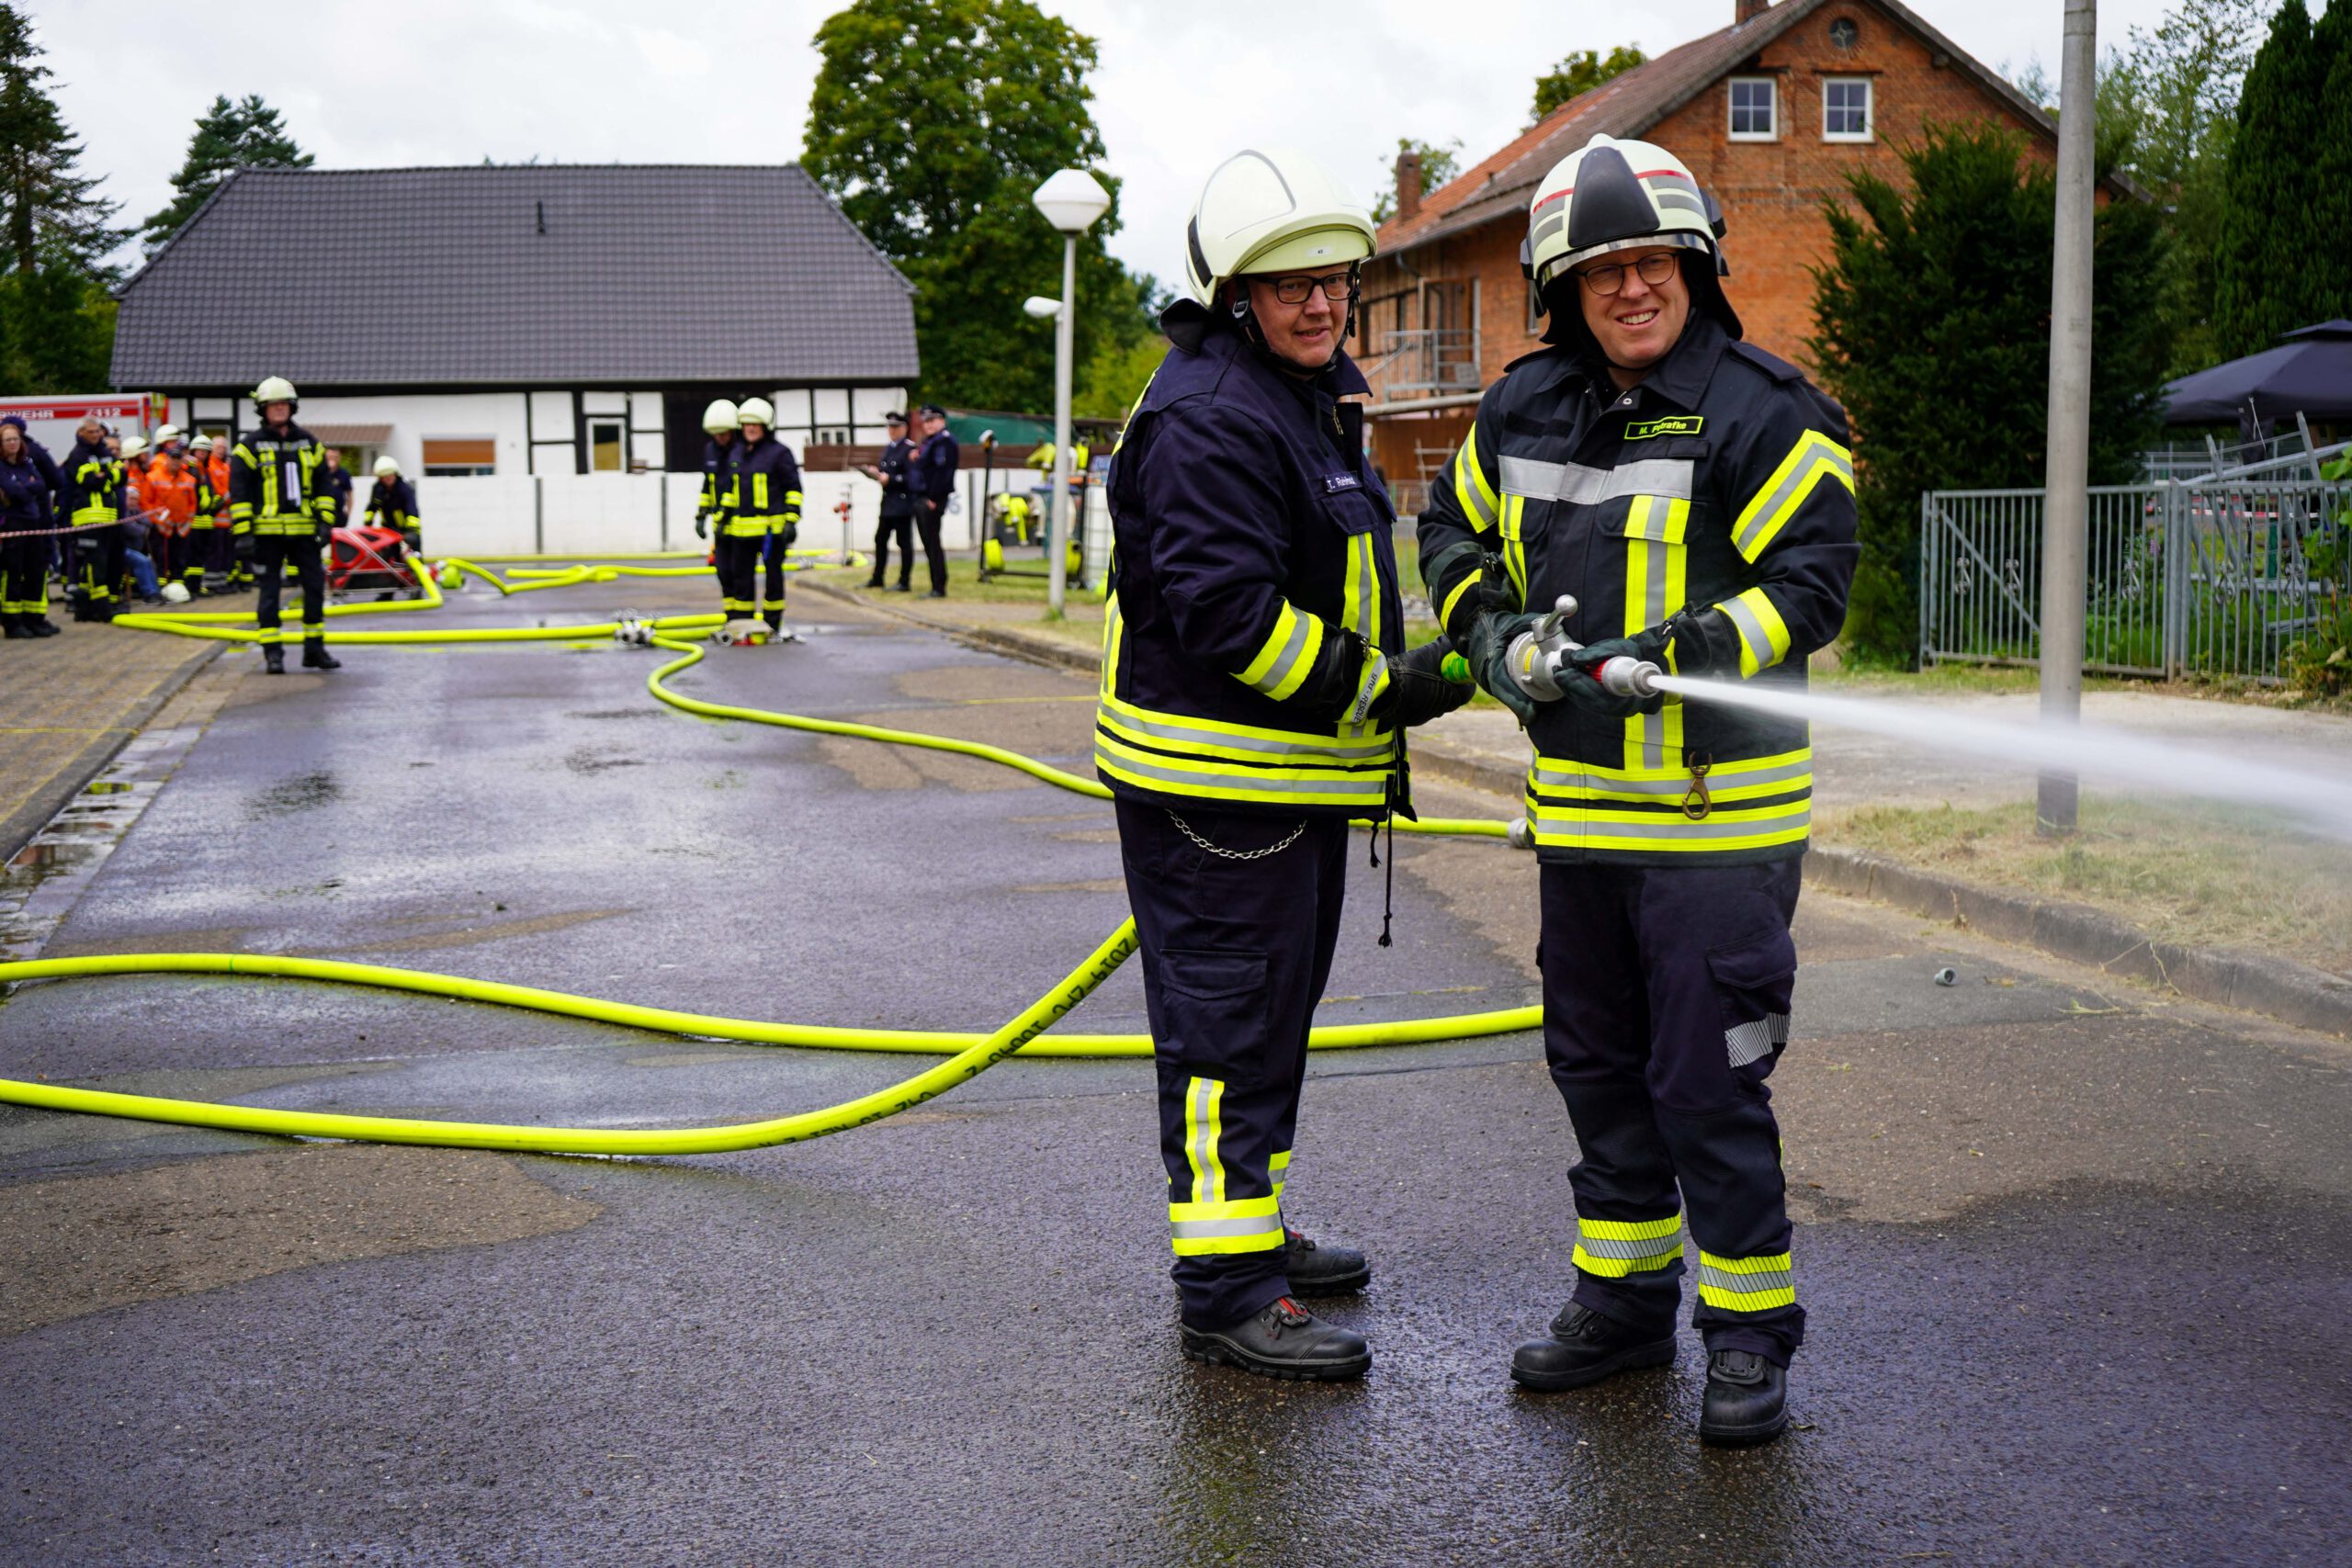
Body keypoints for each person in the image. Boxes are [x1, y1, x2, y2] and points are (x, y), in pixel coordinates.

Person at [1416, 134, 1858, 1446]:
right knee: (1598, 1073)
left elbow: (1812, 587)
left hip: (1718, 828)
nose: (1632, 286)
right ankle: (1620, 1305)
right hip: (1579, 829)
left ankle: (1748, 1334)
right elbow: (1447, 534)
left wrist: (1685, 652)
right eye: (1602, 269)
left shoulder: (1765, 410)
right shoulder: (1521, 408)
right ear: (1562, 290)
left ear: (1697, 267)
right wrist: (1494, 640)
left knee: (1707, 1087)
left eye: (1655, 260)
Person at [1100, 147, 1473, 1382]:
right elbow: (1230, 615)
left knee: (1266, 1024)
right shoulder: (1213, 416)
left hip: (1281, 787)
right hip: (1219, 794)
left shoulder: (1294, 393)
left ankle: (1251, 1229)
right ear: (1234, 296)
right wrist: (1381, 685)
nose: (1322, 305)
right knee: (1224, 1034)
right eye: (1290, 285)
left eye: (1335, 282)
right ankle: (1225, 1290)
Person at [229, 377, 341, 674]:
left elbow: (324, 486)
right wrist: (243, 533)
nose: (279, 409)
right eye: (273, 405)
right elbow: (239, 492)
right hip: (266, 535)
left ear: (292, 407)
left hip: (305, 533)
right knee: (269, 592)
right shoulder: (249, 446)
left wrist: (325, 523)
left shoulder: (309, 443)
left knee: (315, 589)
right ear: (262, 409)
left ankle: (314, 649)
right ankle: (272, 654)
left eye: (284, 404)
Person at [718, 397, 802, 639]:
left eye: (755, 424)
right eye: (746, 424)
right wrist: (723, 519)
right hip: (741, 532)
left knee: (773, 578)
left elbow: (793, 488)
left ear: (765, 426)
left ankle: (772, 624)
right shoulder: (736, 453)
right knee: (741, 579)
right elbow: (731, 490)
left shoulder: (780, 453)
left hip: (771, 532)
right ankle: (742, 623)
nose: (751, 428)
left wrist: (791, 520)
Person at [61, 422, 127, 621]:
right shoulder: (77, 455)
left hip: (108, 517)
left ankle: (84, 607)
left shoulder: (104, 451)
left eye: (98, 431)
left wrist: (104, 474)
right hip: (87, 518)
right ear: (81, 432)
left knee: (105, 562)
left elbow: (123, 474)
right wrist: (109, 474)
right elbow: (89, 481)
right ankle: (101, 607)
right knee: (94, 563)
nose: (96, 434)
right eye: (91, 431)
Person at [1, 418, 60, 637]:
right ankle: (12, 622)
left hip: (34, 523)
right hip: (13, 525)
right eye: (8, 440)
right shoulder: (1, 467)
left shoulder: (26, 464)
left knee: (35, 571)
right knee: (13, 573)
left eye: (15, 439)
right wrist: (27, 487)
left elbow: (42, 485)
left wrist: (23, 488)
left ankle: (33, 618)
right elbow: (13, 490)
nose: (13, 443)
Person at [861, 411, 916, 591]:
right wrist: (875, 473)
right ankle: (878, 577)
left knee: (904, 543)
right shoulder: (890, 449)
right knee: (880, 540)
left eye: (895, 427)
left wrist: (891, 479)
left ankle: (904, 581)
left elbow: (912, 478)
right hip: (888, 503)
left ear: (904, 428)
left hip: (902, 503)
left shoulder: (909, 449)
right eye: (890, 427)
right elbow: (886, 472)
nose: (891, 431)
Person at [908, 404, 955, 598]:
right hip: (923, 497)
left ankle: (939, 586)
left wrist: (934, 498)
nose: (928, 425)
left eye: (932, 420)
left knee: (933, 543)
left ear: (941, 420)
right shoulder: (931, 441)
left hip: (931, 499)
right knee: (928, 543)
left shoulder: (944, 441)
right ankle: (935, 584)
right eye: (925, 421)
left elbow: (943, 472)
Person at [693, 399, 737, 550]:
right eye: (715, 434)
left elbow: (736, 486)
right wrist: (701, 516)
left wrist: (725, 519)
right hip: (718, 522)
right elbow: (708, 485)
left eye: (723, 433)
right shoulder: (710, 450)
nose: (719, 437)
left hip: (739, 523)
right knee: (721, 565)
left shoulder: (740, 451)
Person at [363, 456, 423, 553]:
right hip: (388, 531)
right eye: (385, 475)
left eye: (390, 474)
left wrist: (412, 531)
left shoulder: (405, 489)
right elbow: (371, 508)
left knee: (414, 557)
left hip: (408, 530)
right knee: (388, 557)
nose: (388, 478)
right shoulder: (377, 489)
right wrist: (367, 526)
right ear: (380, 477)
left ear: (395, 473)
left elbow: (412, 511)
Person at [319, 446, 355, 529]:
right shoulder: (320, 473)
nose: (332, 459)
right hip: (323, 513)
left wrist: (348, 513)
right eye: (330, 457)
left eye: (335, 457)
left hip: (339, 514)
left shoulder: (344, 474)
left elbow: (349, 495)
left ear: (339, 458)